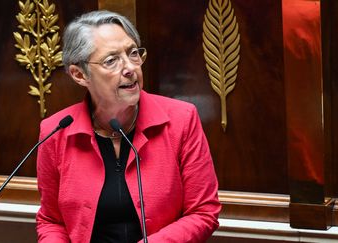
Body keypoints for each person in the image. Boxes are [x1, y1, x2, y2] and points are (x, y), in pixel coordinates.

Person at [36, 10, 221, 243]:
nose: (130, 68)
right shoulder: (56, 131)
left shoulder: (181, 120)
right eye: (111, 60)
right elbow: (52, 221)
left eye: (133, 53)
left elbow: (203, 212)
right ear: (79, 74)